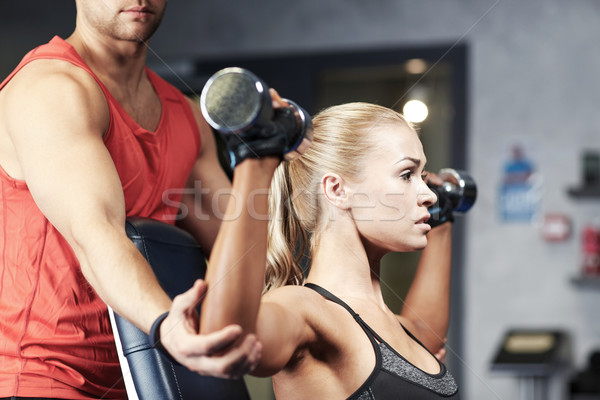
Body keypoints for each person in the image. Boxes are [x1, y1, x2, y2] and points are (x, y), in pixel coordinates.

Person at [0, 1, 263, 398]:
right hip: (37, 373)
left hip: (139, 376)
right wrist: (168, 325)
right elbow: (97, 232)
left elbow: (245, 248)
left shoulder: (186, 115)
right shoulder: (51, 88)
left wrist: (264, 161)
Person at [198, 102, 460, 398]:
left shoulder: (395, 326)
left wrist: (443, 223)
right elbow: (226, 336)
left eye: (423, 176)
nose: (428, 195)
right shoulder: (304, 310)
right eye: (406, 174)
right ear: (337, 190)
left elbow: (424, 327)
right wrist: (255, 164)